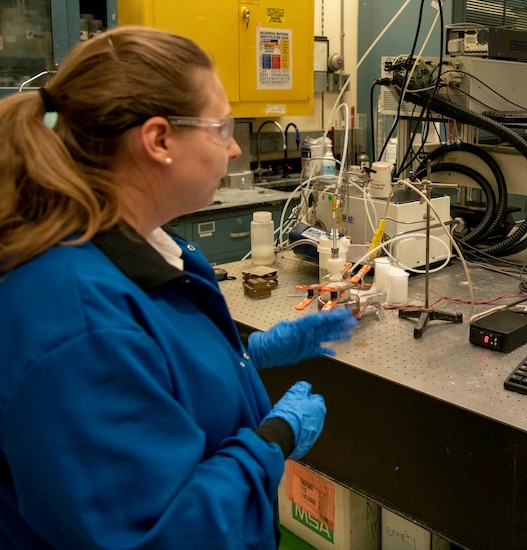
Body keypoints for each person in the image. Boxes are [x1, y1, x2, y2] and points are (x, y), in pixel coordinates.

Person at [0, 26, 357, 549]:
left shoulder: (143, 250)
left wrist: (246, 354)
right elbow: (165, 535)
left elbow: (144, 379)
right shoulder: (74, 321)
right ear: (159, 139)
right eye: (221, 128)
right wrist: (273, 440)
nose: (234, 149)